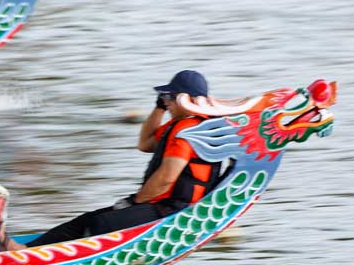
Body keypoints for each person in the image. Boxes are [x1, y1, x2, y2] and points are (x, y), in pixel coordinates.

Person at [23, 70, 223, 247]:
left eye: (170, 97)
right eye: (164, 97)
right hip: (159, 204)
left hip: (173, 211)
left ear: (185, 99)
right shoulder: (179, 125)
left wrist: (135, 201)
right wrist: (159, 107)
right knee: (85, 220)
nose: (167, 101)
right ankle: (23, 249)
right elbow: (145, 143)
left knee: (101, 224)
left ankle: (47, 263)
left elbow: (166, 179)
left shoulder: (188, 132)